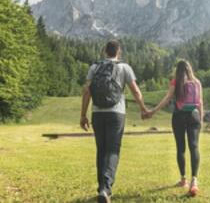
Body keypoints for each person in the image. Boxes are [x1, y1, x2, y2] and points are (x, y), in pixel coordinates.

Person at [80, 40, 148, 203]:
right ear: (118, 52)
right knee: (113, 150)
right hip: (116, 114)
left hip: (97, 113)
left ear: (105, 51)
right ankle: (105, 189)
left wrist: (83, 115)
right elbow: (136, 91)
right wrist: (143, 109)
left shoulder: (94, 67)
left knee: (101, 150)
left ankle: (101, 188)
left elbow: (86, 92)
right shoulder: (124, 67)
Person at [145, 60, 203, 197]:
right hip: (194, 115)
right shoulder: (197, 82)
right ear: (190, 69)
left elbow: (167, 99)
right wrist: (201, 120)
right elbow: (200, 102)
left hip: (179, 116)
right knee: (194, 147)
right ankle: (194, 180)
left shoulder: (175, 82)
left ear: (178, 70)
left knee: (180, 148)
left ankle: (183, 180)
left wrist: (153, 111)